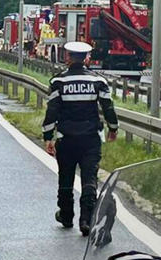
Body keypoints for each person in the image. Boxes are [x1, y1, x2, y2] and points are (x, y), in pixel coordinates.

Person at [42, 40, 119, 234]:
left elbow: (52, 112)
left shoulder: (58, 82)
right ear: (86, 58)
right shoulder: (98, 81)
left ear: (68, 57)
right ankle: (87, 219)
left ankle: (66, 215)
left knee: (66, 178)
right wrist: (113, 128)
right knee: (89, 178)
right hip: (90, 139)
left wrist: (48, 137)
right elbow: (108, 107)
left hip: (66, 138)